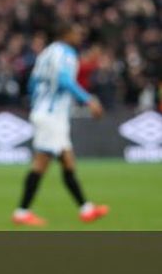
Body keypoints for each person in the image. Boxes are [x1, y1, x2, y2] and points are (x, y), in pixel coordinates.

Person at [12, 22, 108, 226]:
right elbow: (64, 79)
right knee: (41, 164)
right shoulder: (66, 52)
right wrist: (88, 99)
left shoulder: (46, 53)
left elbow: (32, 83)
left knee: (67, 160)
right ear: (65, 33)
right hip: (52, 115)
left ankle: (86, 209)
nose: (80, 36)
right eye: (76, 32)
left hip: (47, 113)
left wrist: (39, 101)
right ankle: (21, 212)